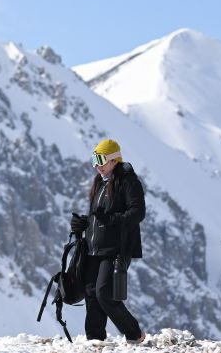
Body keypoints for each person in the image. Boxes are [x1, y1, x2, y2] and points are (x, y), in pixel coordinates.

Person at [70, 139, 146, 344]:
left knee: (105, 293)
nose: (97, 165)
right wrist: (83, 224)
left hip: (116, 248)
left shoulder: (128, 181)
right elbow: (98, 216)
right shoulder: (100, 182)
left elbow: (138, 213)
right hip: (94, 248)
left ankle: (134, 334)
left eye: (101, 159)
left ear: (114, 159)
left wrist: (112, 220)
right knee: (91, 293)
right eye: (93, 160)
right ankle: (95, 340)